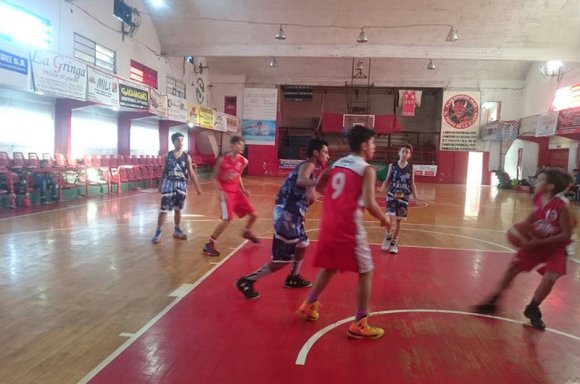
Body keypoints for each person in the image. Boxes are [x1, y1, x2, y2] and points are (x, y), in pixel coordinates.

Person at [297, 125, 390, 340]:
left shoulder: (337, 163)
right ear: (365, 145)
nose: (374, 148)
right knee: (366, 271)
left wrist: (341, 196)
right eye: (373, 143)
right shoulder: (367, 169)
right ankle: (360, 322)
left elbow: (320, 186)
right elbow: (370, 202)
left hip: (329, 224)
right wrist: (384, 218)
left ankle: (309, 304)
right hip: (349, 227)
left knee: (330, 266)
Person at [472, 167, 575, 330]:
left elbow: (566, 236)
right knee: (512, 269)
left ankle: (532, 308)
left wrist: (536, 243)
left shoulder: (563, 206)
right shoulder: (538, 197)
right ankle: (494, 301)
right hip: (538, 241)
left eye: (541, 180)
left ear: (550, 186)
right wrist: (525, 227)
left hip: (556, 246)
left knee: (550, 278)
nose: (536, 181)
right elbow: (536, 215)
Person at [235, 139, 330, 299]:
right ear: (315, 152)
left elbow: (311, 193)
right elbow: (301, 181)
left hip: (293, 213)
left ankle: (293, 277)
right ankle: (247, 281)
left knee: (302, 244)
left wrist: (306, 207)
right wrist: (318, 183)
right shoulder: (309, 165)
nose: (327, 155)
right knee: (282, 260)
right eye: (325, 152)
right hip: (286, 214)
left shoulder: (310, 170)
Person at [202, 136, 258, 257]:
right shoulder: (222, 160)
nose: (242, 146)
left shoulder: (243, 161)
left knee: (254, 215)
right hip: (225, 193)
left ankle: (247, 232)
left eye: (243, 144)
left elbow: (238, 176)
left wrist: (243, 189)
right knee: (227, 219)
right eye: (239, 144)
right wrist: (220, 192)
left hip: (236, 192)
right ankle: (209, 244)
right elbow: (214, 177)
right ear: (232, 146)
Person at [151, 132, 202, 243]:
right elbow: (163, 170)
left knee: (178, 209)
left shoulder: (187, 157)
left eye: (182, 140)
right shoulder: (167, 155)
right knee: (163, 209)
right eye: (178, 140)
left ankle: (177, 230)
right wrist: (160, 185)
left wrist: (197, 186)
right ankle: (158, 231)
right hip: (168, 183)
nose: (181, 142)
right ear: (173, 142)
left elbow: (191, 172)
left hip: (181, 185)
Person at [378, 143, 419, 254]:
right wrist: (381, 189)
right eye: (403, 151)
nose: (405, 153)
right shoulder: (393, 165)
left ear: (410, 155)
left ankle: (394, 242)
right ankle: (388, 235)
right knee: (388, 217)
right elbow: (387, 179)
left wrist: (416, 197)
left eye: (407, 152)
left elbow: (412, 184)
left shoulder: (411, 168)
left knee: (399, 221)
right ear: (399, 153)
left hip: (403, 196)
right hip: (392, 194)